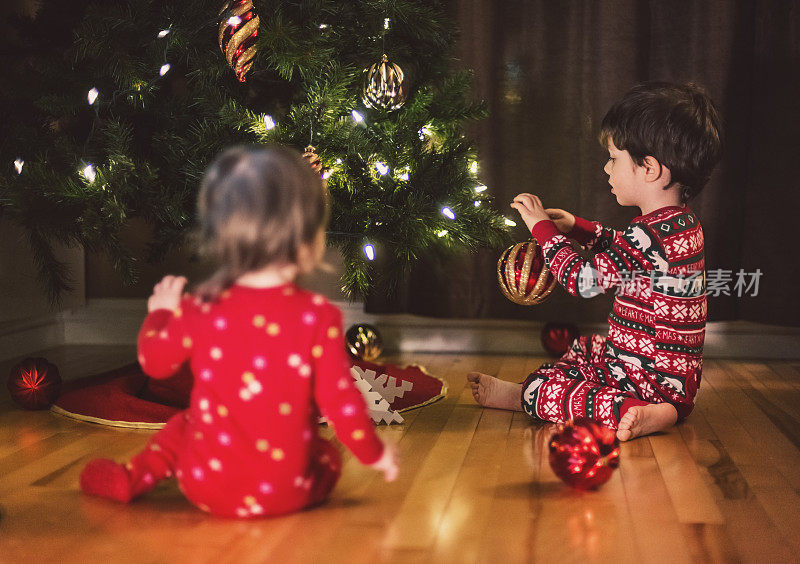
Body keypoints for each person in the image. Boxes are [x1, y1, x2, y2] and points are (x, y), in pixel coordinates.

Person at [80, 145, 398, 517]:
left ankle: (132, 477)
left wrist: (161, 315)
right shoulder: (318, 316)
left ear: (222, 237)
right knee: (325, 453)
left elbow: (155, 363)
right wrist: (376, 455)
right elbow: (341, 404)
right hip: (288, 492)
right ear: (311, 240)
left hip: (208, 488)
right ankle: (280, 484)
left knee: (184, 425)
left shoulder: (198, 307)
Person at [469, 82, 722, 441]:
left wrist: (542, 229)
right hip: (673, 378)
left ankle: (537, 396)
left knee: (547, 387)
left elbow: (582, 279)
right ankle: (657, 407)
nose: (607, 168)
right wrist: (579, 228)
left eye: (614, 159)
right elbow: (627, 254)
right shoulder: (681, 224)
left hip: (646, 380)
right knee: (585, 349)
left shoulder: (649, 235)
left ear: (649, 168)